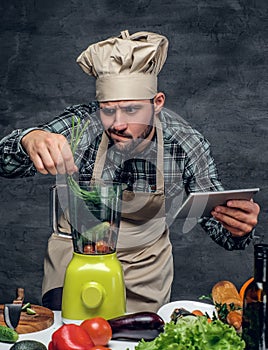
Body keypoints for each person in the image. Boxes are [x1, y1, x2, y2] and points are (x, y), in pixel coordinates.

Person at [0, 30, 260, 312]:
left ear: (157, 103)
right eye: (108, 111)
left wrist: (237, 226)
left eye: (131, 110)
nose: (117, 124)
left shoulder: (184, 143)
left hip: (145, 276)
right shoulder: (81, 126)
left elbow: (220, 226)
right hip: (77, 268)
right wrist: (30, 139)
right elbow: (5, 161)